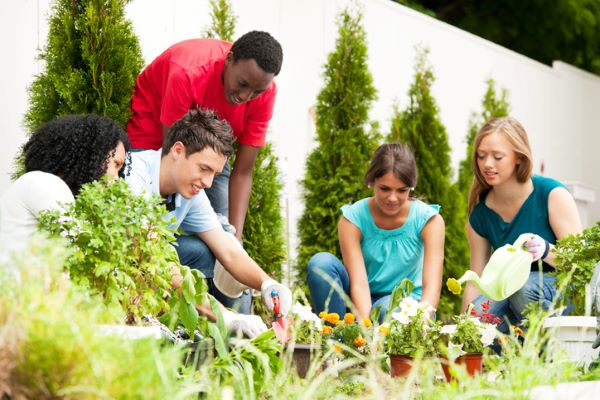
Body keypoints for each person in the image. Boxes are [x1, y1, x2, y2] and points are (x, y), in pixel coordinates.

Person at [124, 107, 291, 337]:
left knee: (204, 249)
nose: (209, 182)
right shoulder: (135, 178)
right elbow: (155, 261)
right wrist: (224, 316)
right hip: (115, 280)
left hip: (144, 277)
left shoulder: (189, 191)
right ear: (178, 150)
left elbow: (228, 250)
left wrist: (266, 283)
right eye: (204, 169)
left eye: (214, 173)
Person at [126, 30, 283, 242]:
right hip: (155, 135)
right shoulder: (188, 73)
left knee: (223, 233)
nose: (246, 97)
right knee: (150, 228)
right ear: (229, 60)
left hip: (207, 146)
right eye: (243, 84)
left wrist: (234, 240)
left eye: (256, 92)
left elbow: (244, 172)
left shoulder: (266, 93)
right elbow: (171, 156)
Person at [462, 116, 582, 333]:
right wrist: (464, 327)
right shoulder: (480, 215)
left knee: (523, 287)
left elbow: (581, 266)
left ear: (518, 157)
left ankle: (549, 355)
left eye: (497, 157)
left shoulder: (551, 195)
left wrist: (546, 251)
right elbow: (477, 280)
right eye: (481, 156)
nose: (487, 164)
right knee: (478, 315)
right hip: (515, 293)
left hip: (564, 293)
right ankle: (507, 358)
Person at [307, 143, 445, 320]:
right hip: (363, 301)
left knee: (386, 309)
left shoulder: (429, 220)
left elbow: (432, 284)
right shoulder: (353, 218)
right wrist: (367, 331)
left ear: (411, 186)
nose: (393, 198)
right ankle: (336, 341)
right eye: (384, 189)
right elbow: (359, 284)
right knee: (321, 264)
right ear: (371, 181)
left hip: (409, 307)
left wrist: (423, 320)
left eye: (402, 190)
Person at [0, 114, 128, 255]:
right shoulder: (48, 185)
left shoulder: (41, 183)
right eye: (116, 164)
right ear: (92, 154)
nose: (117, 178)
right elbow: (84, 254)